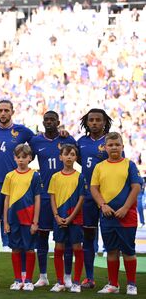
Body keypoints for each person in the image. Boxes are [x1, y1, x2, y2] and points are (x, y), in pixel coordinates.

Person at [0, 100, 35, 286]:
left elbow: (38, 143)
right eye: (0, 110)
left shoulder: (22, 131)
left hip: (16, 187)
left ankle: (24, 276)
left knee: (20, 230)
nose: (3, 113)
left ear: (12, 111)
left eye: (6, 110)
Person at [29, 111, 77, 287]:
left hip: (65, 197)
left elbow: (78, 156)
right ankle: (43, 276)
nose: (49, 122)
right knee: (42, 235)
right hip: (44, 195)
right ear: (43, 122)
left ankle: (67, 276)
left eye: (52, 120)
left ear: (58, 122)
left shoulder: (67, 139)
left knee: (66, 238)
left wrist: (68, 134)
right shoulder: (35, 141)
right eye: (46, 120)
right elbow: (25, 155)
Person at [90, 132, 142, 295]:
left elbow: (136, 187)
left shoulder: (130, 165)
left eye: (117, 145)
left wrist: (126, 208)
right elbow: (94, 188)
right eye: (110, 145)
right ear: (105, 148)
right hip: (107, 216)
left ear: (122, 146)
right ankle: (113, 284)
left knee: (128, 251)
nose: (113, 148)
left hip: (127, 216)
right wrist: (103, 205)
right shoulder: (99, 167)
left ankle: (131, 284)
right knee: (111, 250)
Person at [77, 108, 113, 289]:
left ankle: (112, 280)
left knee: (109, 237)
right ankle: (89, 278)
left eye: (98, 120)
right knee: (88, 236)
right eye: (91, 120)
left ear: (104, 122)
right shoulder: (81, 142)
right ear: (87, 122)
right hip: (88, 197)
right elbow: (76, 160)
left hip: (108, 196)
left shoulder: (110, 141)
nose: (94, 123)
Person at [2, 144, 41, 291]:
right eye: (18, 157)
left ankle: (29, 280)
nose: (21, 160)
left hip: (29, 219)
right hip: (13, 220)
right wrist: (5, 221)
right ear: (14, 158)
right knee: (16, 249)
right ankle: (18, 279)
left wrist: (35, 221)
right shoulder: (9, 176)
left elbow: (37, 199)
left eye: (24, 157)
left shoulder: (35, 175)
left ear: (30, 158)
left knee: (30, 249)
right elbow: (6, 199)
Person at [48, 144, 85, 293]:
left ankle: (76, 282)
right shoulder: (55, 177)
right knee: (58, 248)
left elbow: (81, 199)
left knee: (77, 248)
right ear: (60, 157)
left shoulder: (80, 177)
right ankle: (60, 282)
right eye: (66, 154)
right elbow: (52, 197)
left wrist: (71, 217)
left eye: (72, 154)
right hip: (59, 218)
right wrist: (56, 215)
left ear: (76, 158)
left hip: (74, 218)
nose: (69, 157)